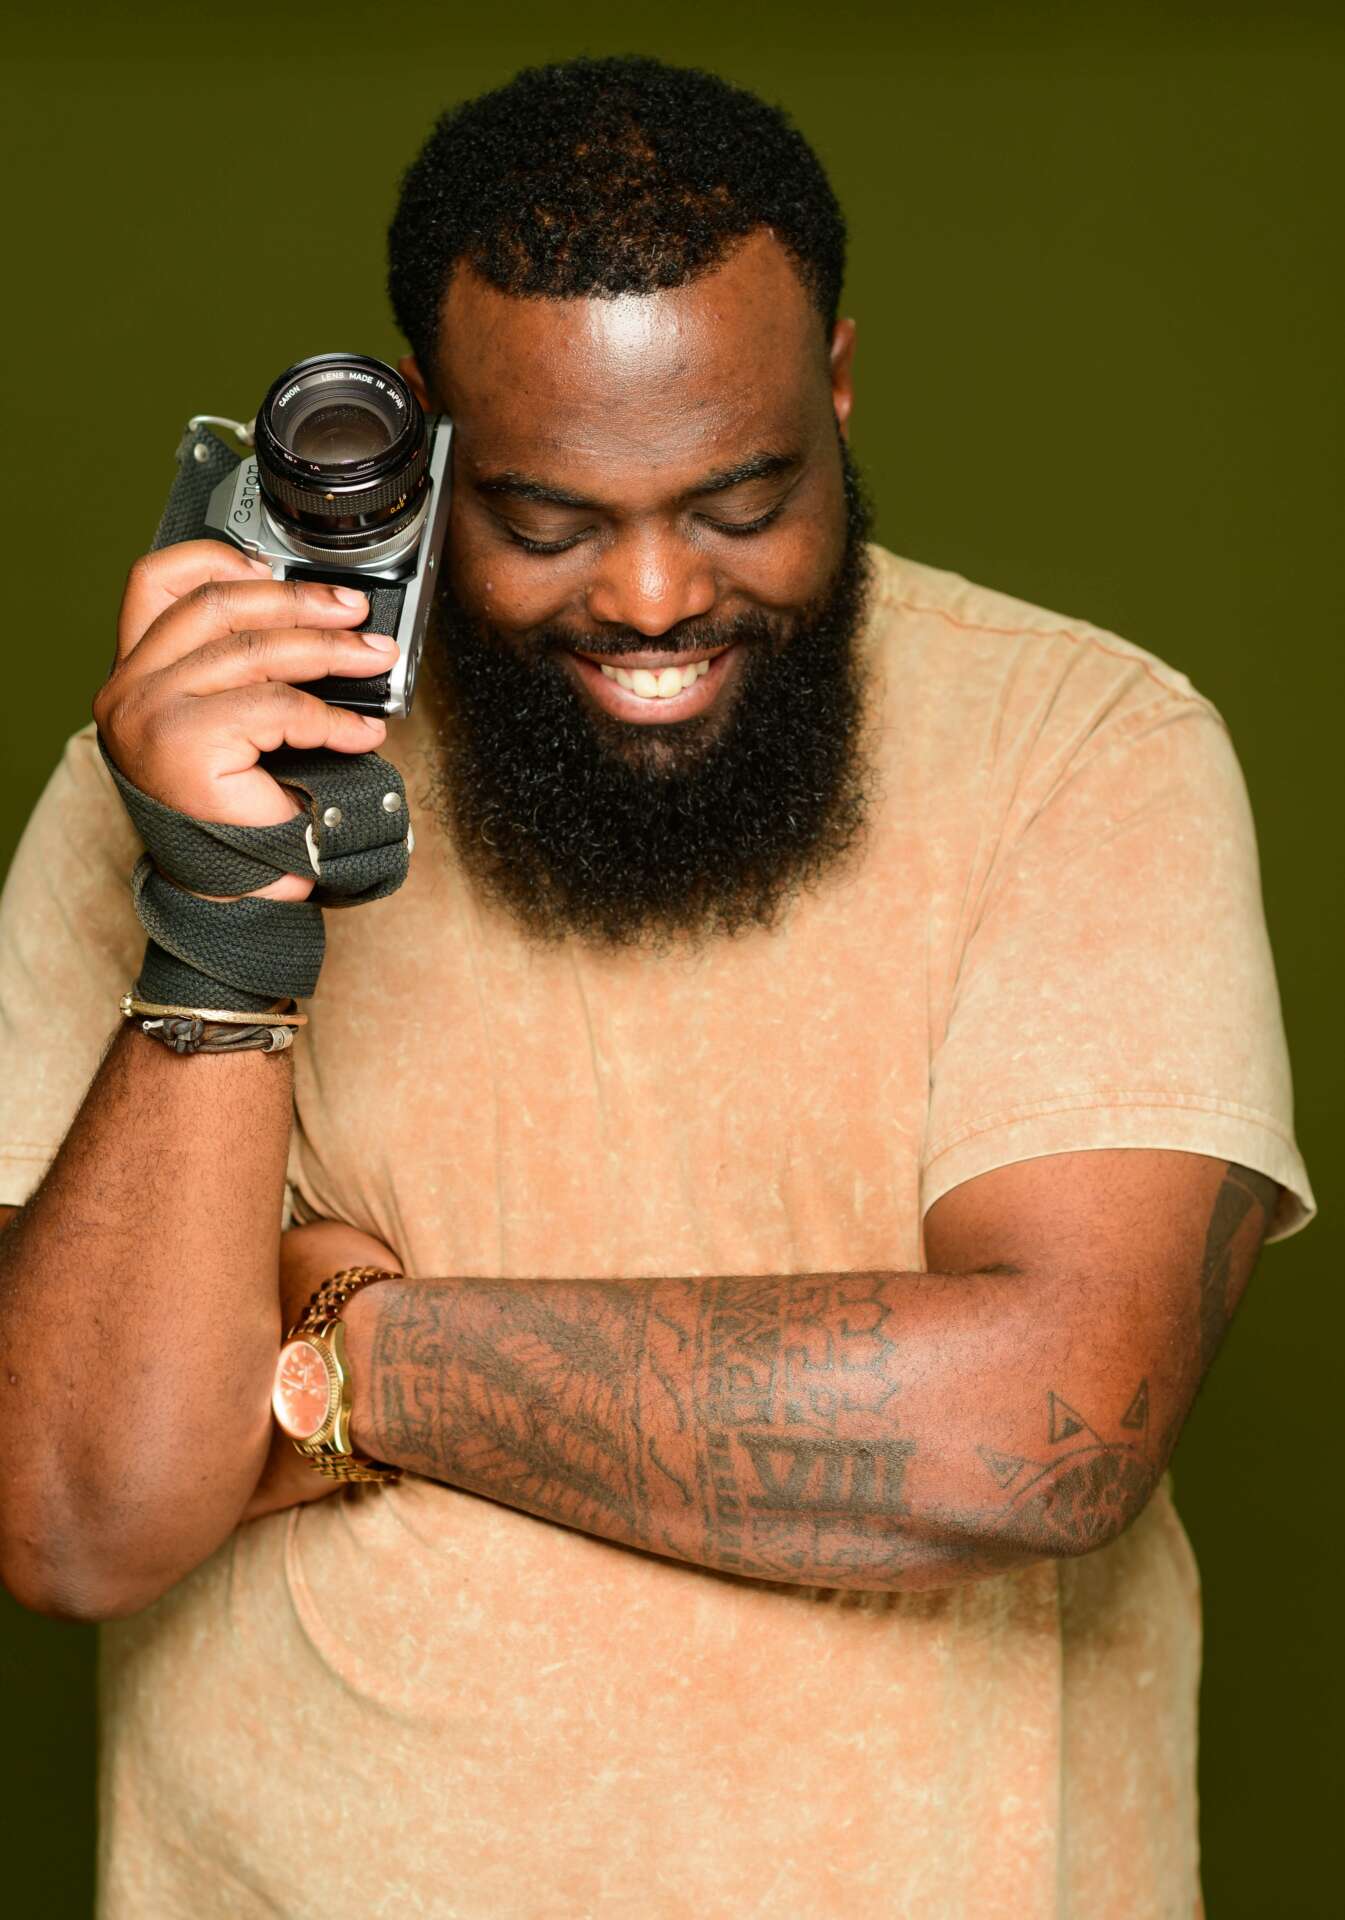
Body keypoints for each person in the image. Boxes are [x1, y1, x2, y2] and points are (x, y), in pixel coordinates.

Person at [0, 53, 1314, 1920]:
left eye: (740, 501)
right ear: (431, 438)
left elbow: (1046, 1435)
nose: (645, 596)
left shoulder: (1083, 745)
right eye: (543, 522)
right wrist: (227, 908)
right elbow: (75, 1519)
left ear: (834, 388)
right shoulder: (178, 781)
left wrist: (342, 1361)